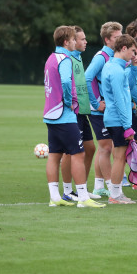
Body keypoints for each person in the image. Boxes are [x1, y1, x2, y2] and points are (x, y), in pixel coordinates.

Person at [43, 25, 104, 208]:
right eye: (72, 39)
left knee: (54, 155)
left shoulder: (51, 57)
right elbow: (65, 82)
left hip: (50, 114)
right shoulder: (65, 59)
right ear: (66, 41)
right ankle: (83, 198)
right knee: (78, 154)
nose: (75, 42)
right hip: (65, 115)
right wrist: (70, 101)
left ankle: (55, 197)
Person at [60, 26, 100, 201]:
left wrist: (93, 104)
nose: (85, 42)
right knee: (70, 152)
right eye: (82, 39)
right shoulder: (67, 59)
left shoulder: (77, 58)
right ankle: (68, 191)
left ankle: (80, 187)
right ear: (72, 41)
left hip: (82, 112)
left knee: (90, 148)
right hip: (73, 112)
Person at [84, 21, 123, 197]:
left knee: (106, 148)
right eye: (116, 37)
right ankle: (110, 186)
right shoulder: (101, 56)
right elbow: (87, 78)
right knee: (106, 147)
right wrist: (96, 102)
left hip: (109, 109)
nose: (120, 40)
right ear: (107, 40)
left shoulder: (115, 56)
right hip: (99, 110)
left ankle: (99, 185)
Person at [101, 34, 137, 205]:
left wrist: (133, 67)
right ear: (124, 48)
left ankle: (116, 193)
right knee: (119, 157)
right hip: (118, 119)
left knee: (119, 156)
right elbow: (119, 99)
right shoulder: (115, 70)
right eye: (132, 51)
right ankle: (115, 195)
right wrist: (127, 126)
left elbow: (126, 88)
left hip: (114, 118)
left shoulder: (112, 65)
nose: (133, 55)